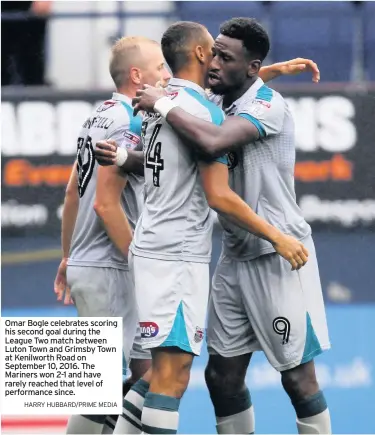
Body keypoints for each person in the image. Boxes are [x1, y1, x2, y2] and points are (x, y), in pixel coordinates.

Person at [95, 21, 311, 435]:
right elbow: (219, 196)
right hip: (177, 255)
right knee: (172, 380)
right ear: (198, 54)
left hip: (151, 244)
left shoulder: (159, 105)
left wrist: (124, 160)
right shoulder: (203, 114)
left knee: (156, 375)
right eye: (213, 50)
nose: (216, 58)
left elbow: (165, 159)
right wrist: (278, 237)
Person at [53, 36, 171, 434]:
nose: (166, 75)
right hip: (111, 267)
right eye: (159, 68)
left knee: (152, 375)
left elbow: (73, 190)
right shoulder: (130, 121)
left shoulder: (97, 116)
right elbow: (105, 204)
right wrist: (143, 260)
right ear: (137, 76)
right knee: (100, 394)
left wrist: (68, 256)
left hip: (96, 263)